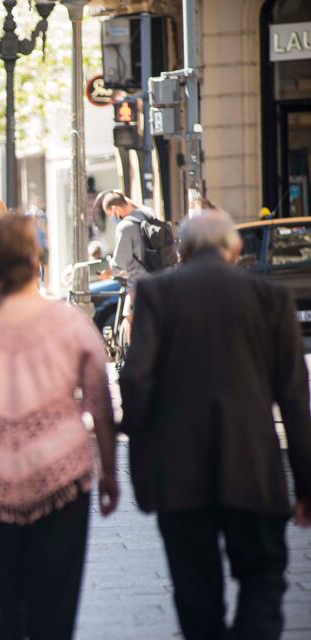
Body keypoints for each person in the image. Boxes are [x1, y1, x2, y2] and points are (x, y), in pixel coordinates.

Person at [119, 210, 311, 640]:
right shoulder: (270, 297)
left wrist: (143, 449)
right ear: (236, 247)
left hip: (179, 475)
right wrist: (305, 483)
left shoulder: (156, 294)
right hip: (252, 467)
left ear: (182, 250)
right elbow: (296, 398)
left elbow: (135, 380)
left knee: (195, 589)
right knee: (263, 575)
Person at [0, 214, 119, 640]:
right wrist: (108, 470)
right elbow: (100, 404)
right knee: (57, 601)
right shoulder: (70, 323)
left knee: (2, 600)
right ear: (34, 258)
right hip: (63, 477)